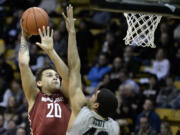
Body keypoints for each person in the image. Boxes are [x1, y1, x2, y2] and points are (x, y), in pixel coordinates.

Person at [62, 5, 119, 135]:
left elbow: (74, 68)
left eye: (94, 96)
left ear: (96, 106)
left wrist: (71, 32)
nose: (90, 96)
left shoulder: (83, 113)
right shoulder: (114, 127)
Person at [18, 20, 71, 134]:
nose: (56, 77)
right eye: (49, 75)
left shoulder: (65, 95)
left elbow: (66, 77)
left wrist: (51, 51)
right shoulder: (35, 96)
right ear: (39, 83)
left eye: (57, 76)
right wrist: (24, 37)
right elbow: (23, 64)